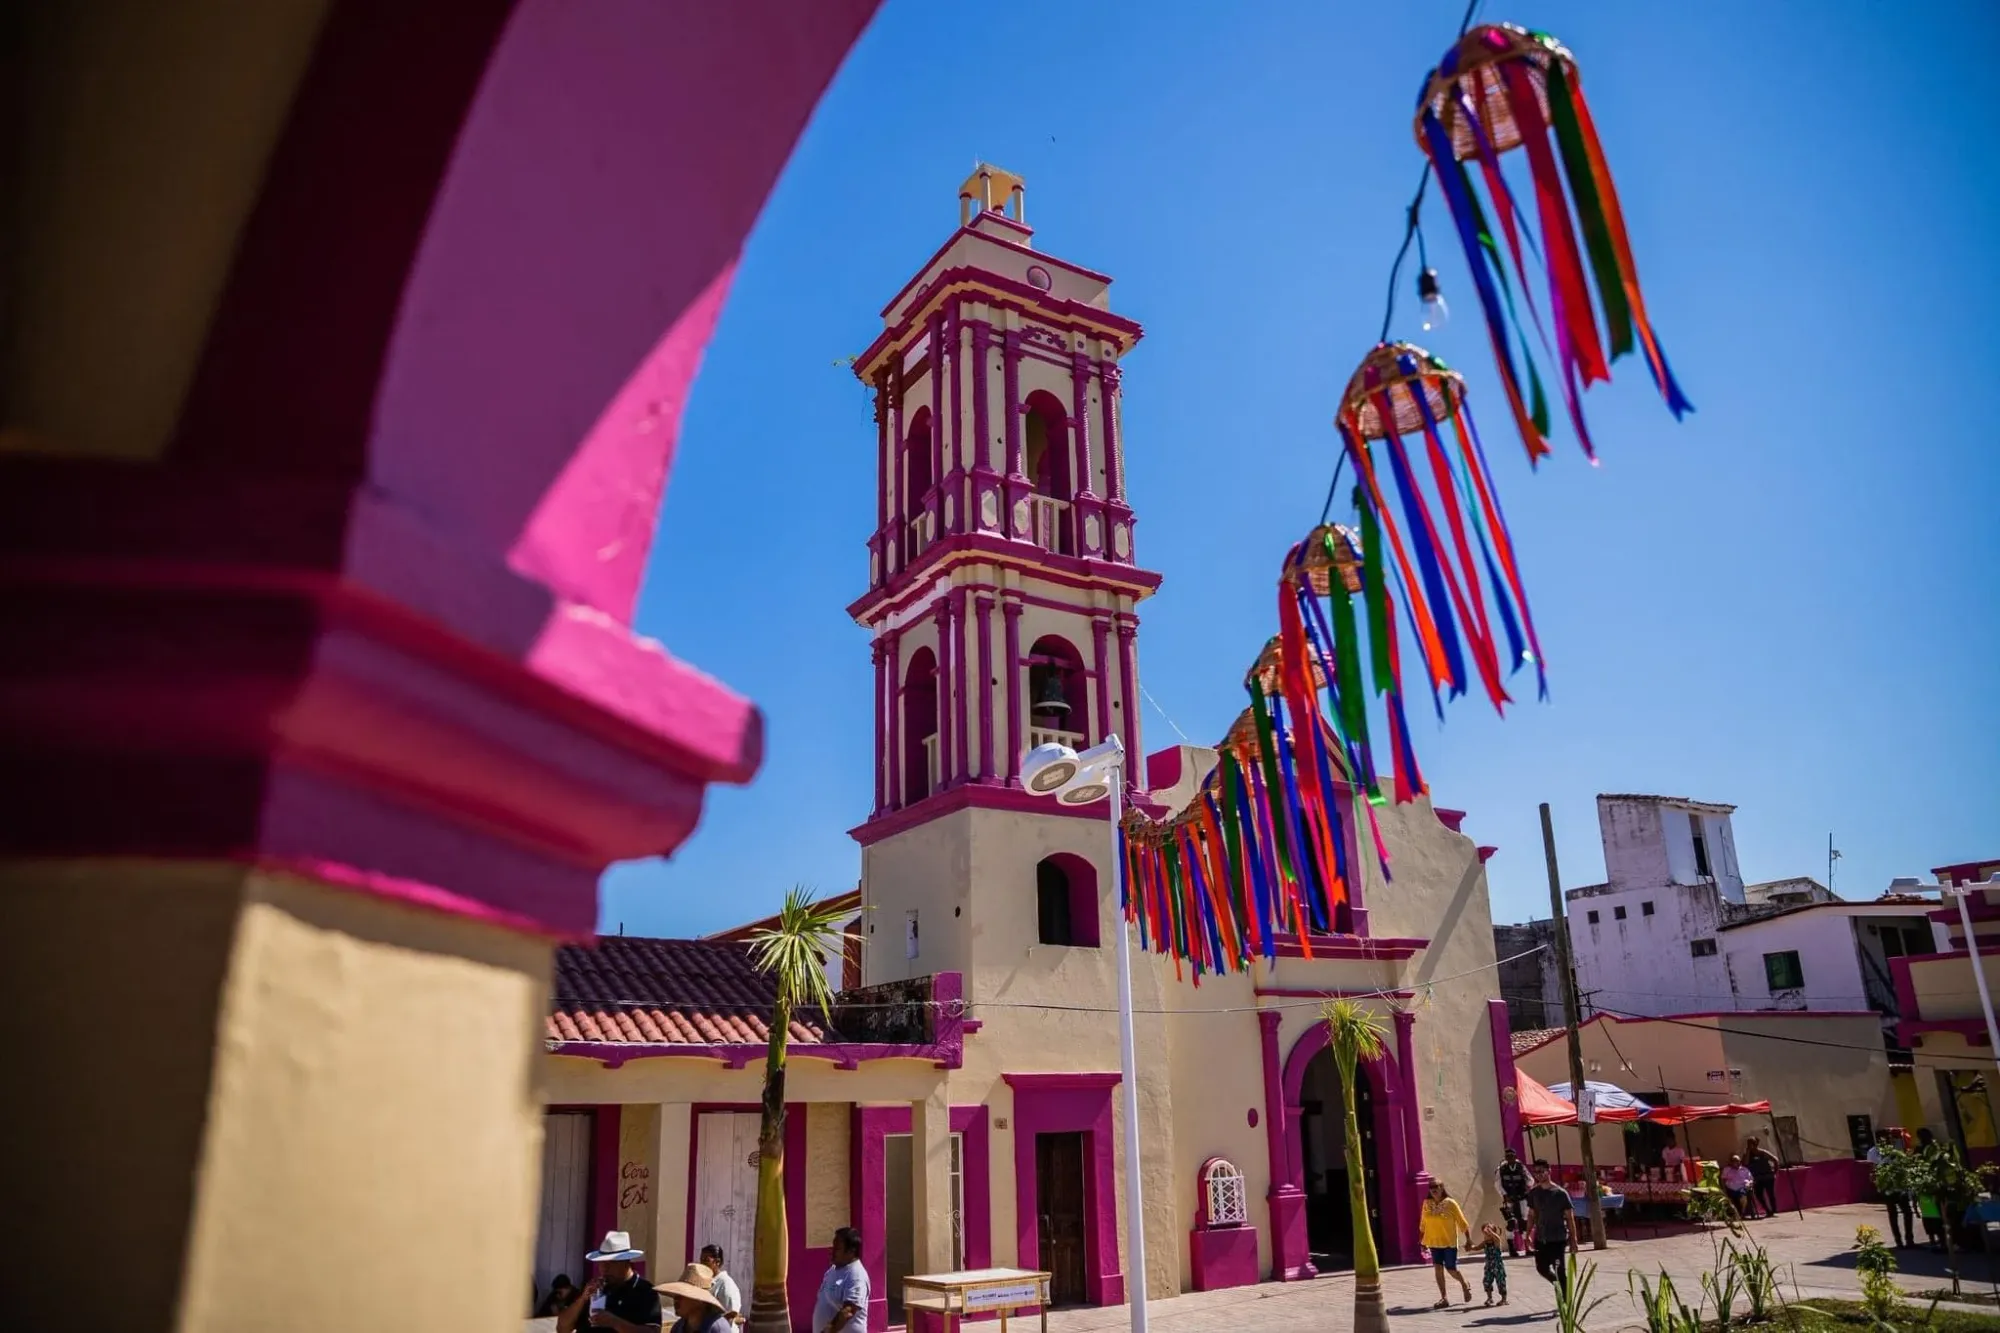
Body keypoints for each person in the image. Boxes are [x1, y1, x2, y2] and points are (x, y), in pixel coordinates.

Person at [558, 1231, 663, 1333]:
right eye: (601, 1263)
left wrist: (614, 1322)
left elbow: (652, 1331)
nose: (604, 1269)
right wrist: (582, 1300)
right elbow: (562, 1328)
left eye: (610, 1263)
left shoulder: (645, 1291)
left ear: (626, 1263)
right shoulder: (594, 1288)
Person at [1525, 1159, 1577, 1296]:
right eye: (1536, 1172)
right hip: (1541, 1238)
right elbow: (1531, 1215)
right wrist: (1528, 1234)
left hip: (1557, 1238)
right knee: (1542, 1268)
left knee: (1559, 1270)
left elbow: (1570, 1218)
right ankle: (1557, 1285)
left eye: (1542, 1171)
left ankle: (1566, 1303)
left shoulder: (1560, 1193)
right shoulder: (1534, 1193)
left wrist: (1573, 1240)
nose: (1539, 1175)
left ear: (1549, 1171)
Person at [1420, 1179, 1474, 1308]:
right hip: (1433, 1242)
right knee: (1438, 1269)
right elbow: (1423, 1223)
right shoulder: (1427, 1203)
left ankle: (1464, 1284)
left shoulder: (1451, 1203)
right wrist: (1422, 1240)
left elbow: (1462, 1222)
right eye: (1431, 1187)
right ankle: (1444, 1298)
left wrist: (1468, 1240)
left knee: (1451, 1269)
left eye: (1436, 1187)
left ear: (1442, 1188)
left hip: (1449, 1242)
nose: (1433, 1189)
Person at [813, 1227, 869, 1333]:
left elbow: (848, 1311)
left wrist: (828, 1330)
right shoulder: (832, 1270)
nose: (832, 1251)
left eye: (837, 1248)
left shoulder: (856, 1275)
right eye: (833, 1246)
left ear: (851, 1251)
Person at [1868, 1129, 1916, 1248]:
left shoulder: (1896, 1150)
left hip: (1900, 1186)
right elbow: (1873, 1169)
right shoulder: (1874, 1152)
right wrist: (1878, 1181)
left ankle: (1909, 1239)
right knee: (1893, 1213)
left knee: (1907, 1212)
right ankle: (1898, 1241)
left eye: (1890, 1137)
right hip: (1887, 1187)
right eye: (1887, 1137)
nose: (1890, 1139)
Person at [654, 1263, 733, 1333]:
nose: (676, 1299)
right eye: (676, 1295)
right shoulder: (678, 1327)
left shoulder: (718, 1328)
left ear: (700, 1301)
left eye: (682, 1295)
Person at [1496, 1148, 1532, 1256]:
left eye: (1512, 1156)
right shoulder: (1501, 1168)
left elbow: (1530, 1180)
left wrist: (1525, 1184)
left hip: (1522, 1198)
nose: (1510, 1158)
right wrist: (1504, 1195)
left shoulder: (1521, 1167)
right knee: (1511, 1223)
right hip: (1509, 1199)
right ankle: (1512, 1248)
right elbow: (1497, 1184)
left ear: (1515, 1156)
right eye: (1508, 1156)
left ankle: (1527, 1247)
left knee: (1524, 1222)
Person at [699, 1246, 742, 1324]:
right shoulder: (704, 1282)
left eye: (706, 1260)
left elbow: (730, 1315)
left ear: (717, 1262)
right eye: (701, 1260)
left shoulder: (726, 1284)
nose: (702, 1264)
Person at [1745, 1136, 1782, 1219]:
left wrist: (1775, 1171)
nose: (1751, 1146)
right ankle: (1767, 1210)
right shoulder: (1748, 1154)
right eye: (1749, 1144)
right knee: (1759, 1195)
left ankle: (1773, 1210)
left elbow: (1775, 1160)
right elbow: (1746, 1163)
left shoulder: (1762, 1152)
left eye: (1753, 1144)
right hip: (1757, 1178)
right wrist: (1748, 1151)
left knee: (1770, 1194)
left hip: (1768, 1176)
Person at [1477, 1222, 1509, 1308]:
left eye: (1487, 1234)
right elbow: (1476, 1247)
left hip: (1497, 1266)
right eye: (1484, 1234)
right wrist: (1470, 1247)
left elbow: (1498, 1238)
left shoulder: (1496, 1242)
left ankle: (1504, 1299)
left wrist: (1491, 1233)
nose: (1485, 1236)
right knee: (1487, 1281)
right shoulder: (1485, 1243)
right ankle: (1489, 1298)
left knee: (1500, 1282)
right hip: (1488, 1266)